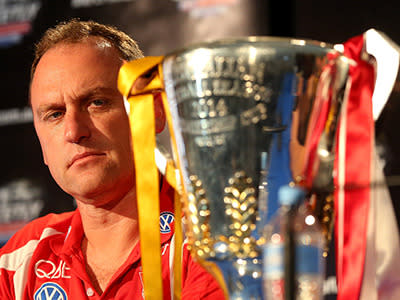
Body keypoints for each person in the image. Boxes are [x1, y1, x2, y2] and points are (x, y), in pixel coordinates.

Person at [0, 19, 225, 299]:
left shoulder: (211, 236)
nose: (74, 131)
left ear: (153, 111)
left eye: (96, 102)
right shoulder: (21, 260)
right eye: (55, 114)